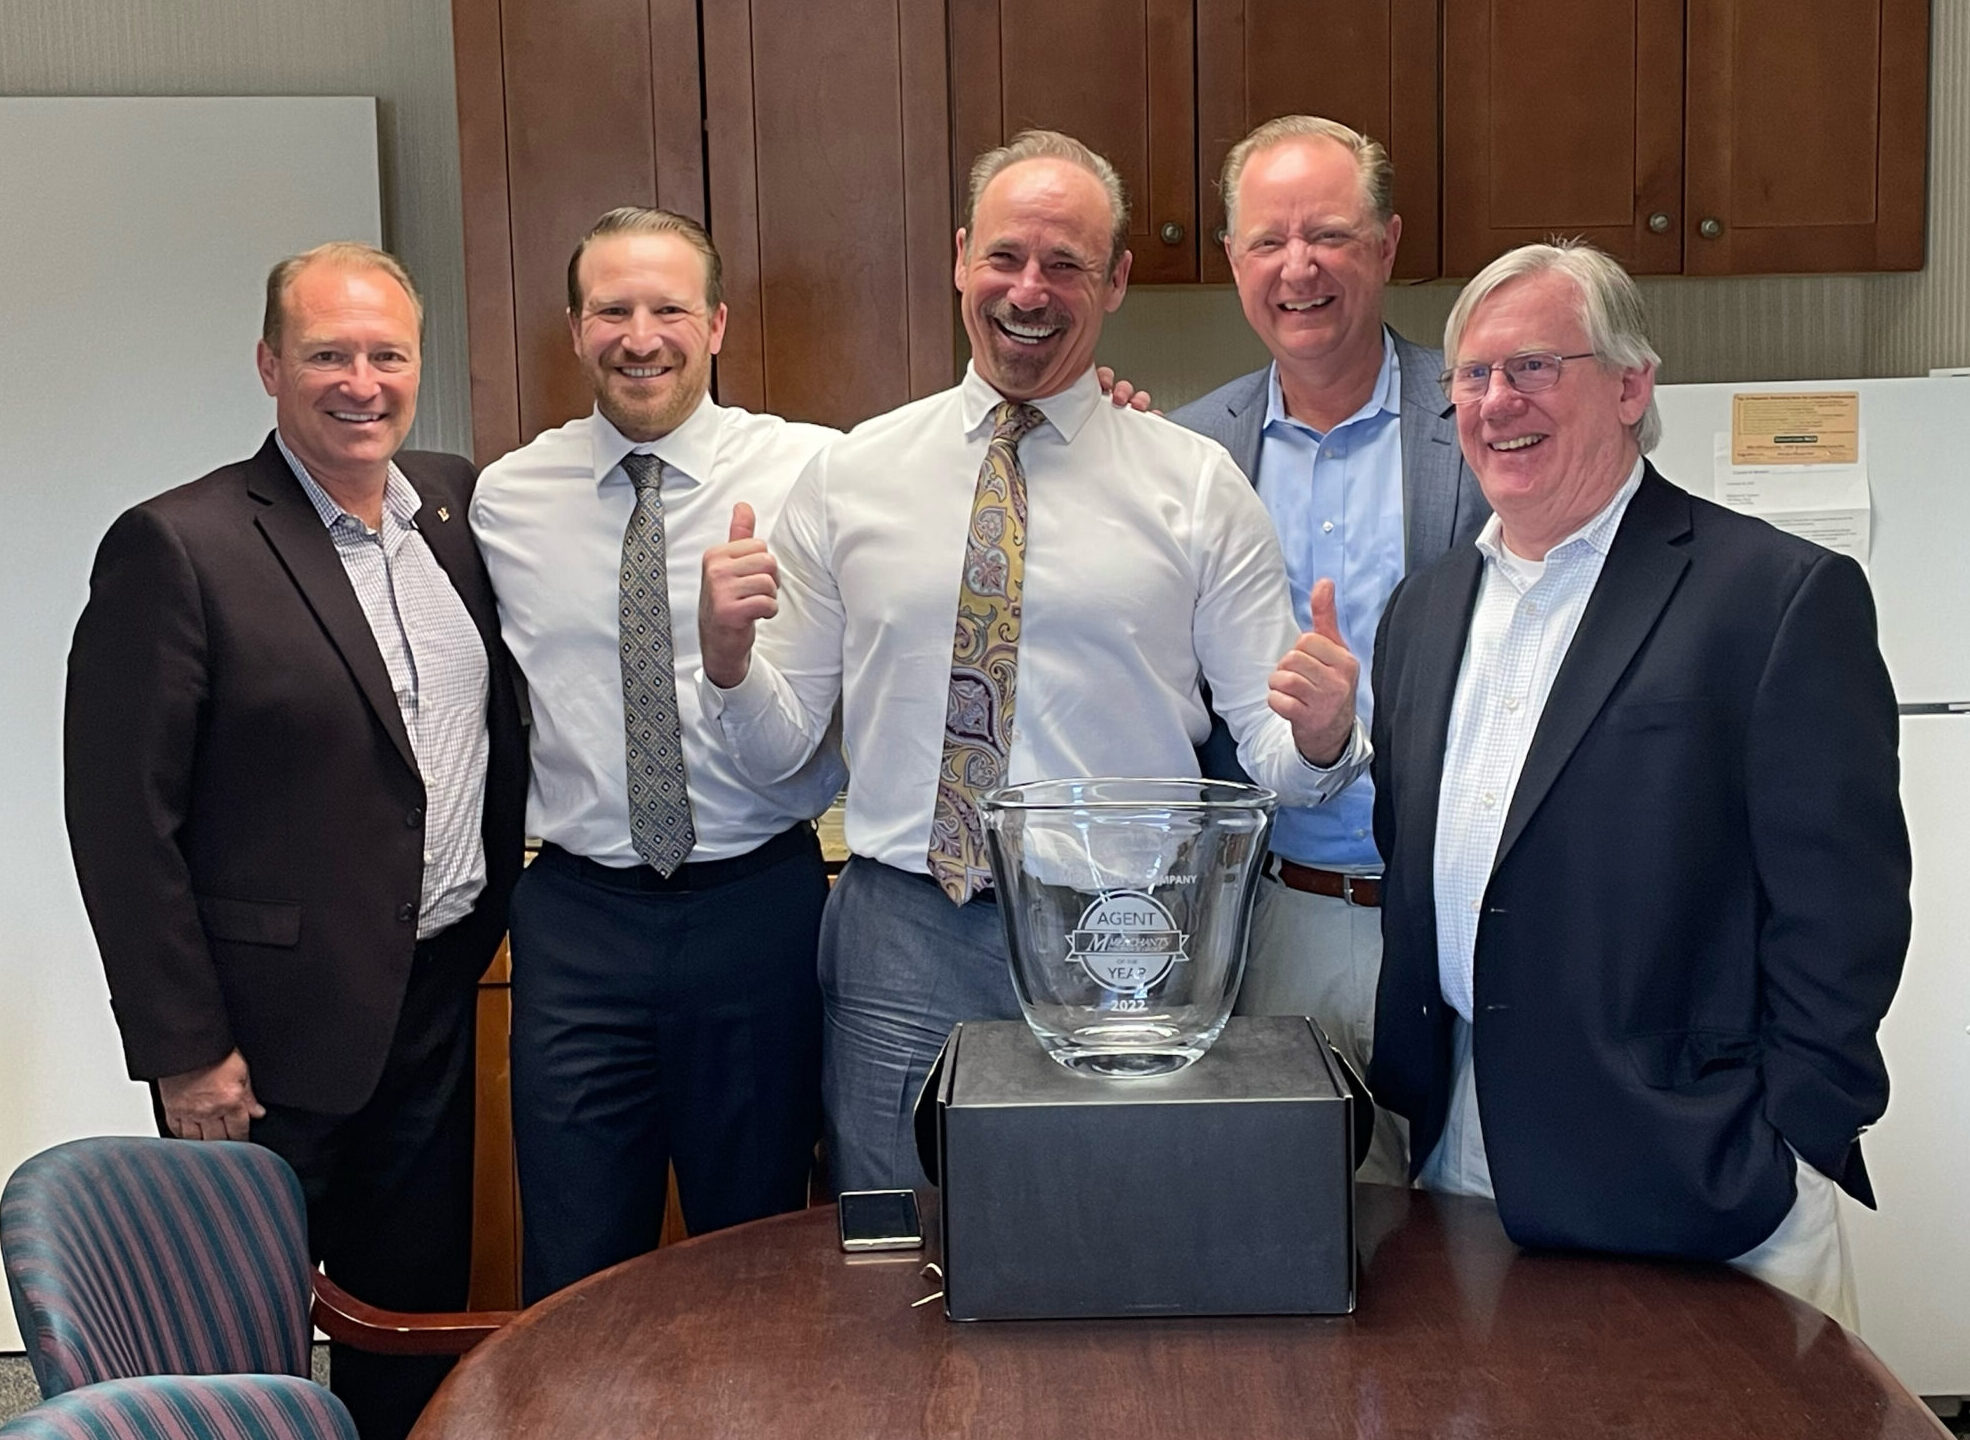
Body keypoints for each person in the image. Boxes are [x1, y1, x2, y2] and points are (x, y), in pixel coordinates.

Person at [699, 130, 1368, 1193]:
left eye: (1066, 265)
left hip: (1127, 933)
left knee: (1120, 1233)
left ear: (1114, 283)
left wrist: (1326, 732)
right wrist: (729, 664)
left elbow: (1278, 753)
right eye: (1007, 256)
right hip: (907, 930)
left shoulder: (1194, 487)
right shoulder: (851, 476)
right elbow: (787, 760)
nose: (1030, 288)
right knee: (897, 1242)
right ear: (963, 257)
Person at [1367, 240, 1909, 1327]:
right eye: (1470, 376)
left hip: (1699, 1177)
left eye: (1532, 367)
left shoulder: (1775, 597)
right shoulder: (1422, 612)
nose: (1495, 401)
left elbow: (1844, 911)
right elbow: (1412, 863)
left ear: (1630, 385)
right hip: (1464, 1156)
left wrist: (1795, 1133)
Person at [64, 242, 527, 1439]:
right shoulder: (178, 546)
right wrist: (185, 1051)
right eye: (327, 353)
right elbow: (122, 822)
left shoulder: (461, 507)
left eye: (387, 355)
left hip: (433, 1004)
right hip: (260, 1048)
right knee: (235, 1352)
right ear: (271, 365)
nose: (359, 381)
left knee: (406, 1329)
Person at [469, 208, 847, 1304]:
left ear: (717, 322)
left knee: (764, 1250)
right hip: (579, 920)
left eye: (670, 308)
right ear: (577, 328)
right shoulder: (505, 499)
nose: (643, 336)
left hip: (759, 909)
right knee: (578, 1267)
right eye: (614, 311)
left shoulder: (817, 471)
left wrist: (1098, 407)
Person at [1170, 117, 1488, 1185]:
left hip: (1455, 912)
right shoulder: (1182, 451)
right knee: (1302, 1227)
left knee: (1479, 1237)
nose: (1297, 266)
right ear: (1233, 263)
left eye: (1330, 235)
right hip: (1280, 918)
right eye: (1268, 241)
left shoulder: (1488, 418)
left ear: (1389, 245)